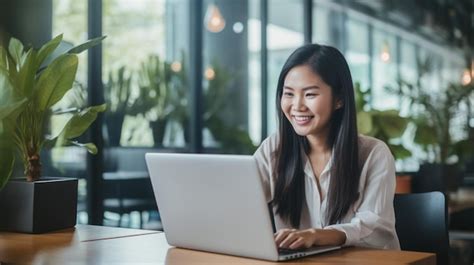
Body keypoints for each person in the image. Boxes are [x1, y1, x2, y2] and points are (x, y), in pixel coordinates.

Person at [253, 43, 400, 250]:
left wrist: (317, 235)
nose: (297, 106)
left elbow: (376, 230)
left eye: (310, 94)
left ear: (339, 99)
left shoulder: (373, 154)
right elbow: (241, 202)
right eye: (289, 94)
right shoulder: (274, 149)